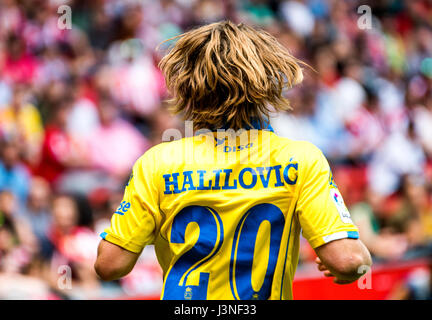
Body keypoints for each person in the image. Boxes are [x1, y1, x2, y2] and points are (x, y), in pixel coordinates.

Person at [94, 21, 372, 300]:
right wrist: (362, 260)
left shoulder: (157, 162)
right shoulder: (300, 159)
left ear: (190, 87)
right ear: (265, 84)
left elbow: (109, 266)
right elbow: (347, 261)